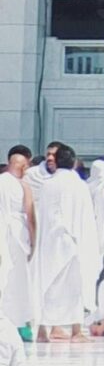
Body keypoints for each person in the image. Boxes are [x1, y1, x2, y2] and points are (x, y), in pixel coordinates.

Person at [31, 145, 95, 340]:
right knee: (74, 286)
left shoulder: (48, 184)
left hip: (51, 241)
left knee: (47, 283)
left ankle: (43, 329)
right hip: (75, 242)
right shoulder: (80, 185)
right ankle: (76, 330)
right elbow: (85, 218)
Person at [2, 145, 37, 339]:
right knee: (19, 280)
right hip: (17, 235)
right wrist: (34, 241)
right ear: (24, 167)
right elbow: (30, 215)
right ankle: (21, 324)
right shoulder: (23, 185)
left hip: (2, 233)